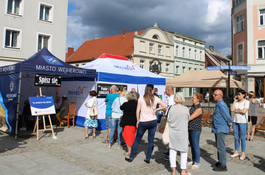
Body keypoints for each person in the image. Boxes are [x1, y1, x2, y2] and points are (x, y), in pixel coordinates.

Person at [125, 84, 167, 163]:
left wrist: (137, 121)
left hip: (143, 121)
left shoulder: (141, 98)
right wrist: (156, 110)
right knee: (151, 140)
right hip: (153, 121)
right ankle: (148, 158)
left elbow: (137, 111)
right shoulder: (155, 98)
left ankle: (131, 157)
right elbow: (165, 105)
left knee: (137, 139)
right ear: (152, 90)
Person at [168, 92, 192, 175]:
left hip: (173, 131)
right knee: (183, 151)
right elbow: (188, 119)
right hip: (182, 131)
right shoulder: (185, 109)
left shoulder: (170, 108)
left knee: (172, 150)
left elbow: (168, 119)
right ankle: (183, 170)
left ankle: (173, 170)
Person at [211, 89, 232, 171]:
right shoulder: (218, 104)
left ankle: (223, 165)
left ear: (220, 96)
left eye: (215, 95)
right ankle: (220, 162)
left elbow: (227, 115)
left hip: (221, 128)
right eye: (213, 94)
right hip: (217, 128)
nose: (213, 96)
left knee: (221, 147)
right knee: (219, 146)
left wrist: (230, 124)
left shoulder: (221, 104)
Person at [231, 89, 249, 160]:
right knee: (236, 137)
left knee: (242, 137)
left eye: (239, 95)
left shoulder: (246, 102)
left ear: (243, 95)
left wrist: (236, 110)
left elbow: (244, 111)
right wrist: (234, 101)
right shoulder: (237, 102)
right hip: (235, 121)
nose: (238, 96)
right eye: (237, 95)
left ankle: (243, 152)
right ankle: (236, 151)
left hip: (243, 121)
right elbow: (232, 109)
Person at [187, 93, 203, 169]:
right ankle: (193, 160)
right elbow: (186, 113)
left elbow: (190, 117)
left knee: (195, 145)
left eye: (193, 98)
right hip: (190, 128)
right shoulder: (192, 106)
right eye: (192, 97)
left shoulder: (199, 108)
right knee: (192, 145)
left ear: (198, 99)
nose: (192, 99)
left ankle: (197, 162)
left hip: (196, 129)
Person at [120, 91, 138, 156]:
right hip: (134, 122)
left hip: (127, 122)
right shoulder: (137, 104)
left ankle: (130, 151)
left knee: (128, 137)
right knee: (133, 136)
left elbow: (121, 107)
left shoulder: (126, 104)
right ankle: (134, 150)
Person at [163, 85, 175, 160]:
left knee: (170, 136)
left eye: (166, 90)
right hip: (169, 119)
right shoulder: (170, 98)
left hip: (170, 120)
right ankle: (169, 151)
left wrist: (162, 109)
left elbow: (169, 110)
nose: (165, 92)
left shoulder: (171, 99)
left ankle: (170, 153)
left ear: (168, 90)